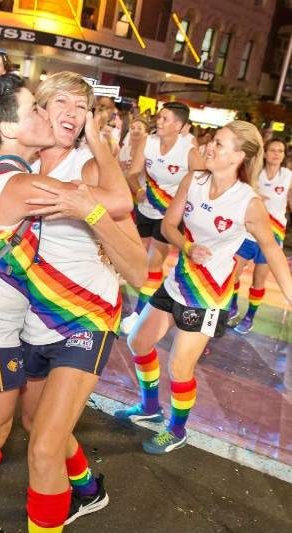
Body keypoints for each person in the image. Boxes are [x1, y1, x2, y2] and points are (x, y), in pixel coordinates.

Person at [0, 72, 145, 533]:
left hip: (85, 318)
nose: (72, 111)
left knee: (44, 446)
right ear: (37, 114)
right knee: (29, 419)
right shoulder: (19, 172)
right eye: (60, 101)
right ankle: (87, 488)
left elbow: (139, 265)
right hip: (32, 321)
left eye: (82, 105)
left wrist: (98, 160)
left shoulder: (87, 169)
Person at [114, 121, 292, 454]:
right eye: (212, 141)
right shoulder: (192, 180)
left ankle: (177, 429)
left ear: (239, 156)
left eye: (219, 144)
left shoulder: (248, 203)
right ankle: (150, 408)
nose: (209, 146)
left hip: (210, 297)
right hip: (177, 282)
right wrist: (187, 247)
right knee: (138, 341)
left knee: (179, 366)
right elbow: (168, 225)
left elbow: (271, 251)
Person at [120, 102, 205, 335]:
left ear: (178, 125)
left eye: (165, 119)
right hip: (146, 208)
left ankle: (138, 314)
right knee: (137, 258)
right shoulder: (148, 142)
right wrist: (136, 188)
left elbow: (203, 182)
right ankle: (146, 302)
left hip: (170, 216)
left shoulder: (189, 151)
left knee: (153, 263)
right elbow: (133, 172)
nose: (159, 121)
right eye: (159, 117)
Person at [229, 137, 292, 333]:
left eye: (280, 151)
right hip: (248, 232)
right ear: (265, 153)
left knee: (259, 280)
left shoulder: (288, 176)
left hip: (272, 235)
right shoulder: (254, 174)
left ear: (283, 156)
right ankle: (231, 307)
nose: (275, 154)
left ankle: (249, 317)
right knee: (232, 274)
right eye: (272, 150)